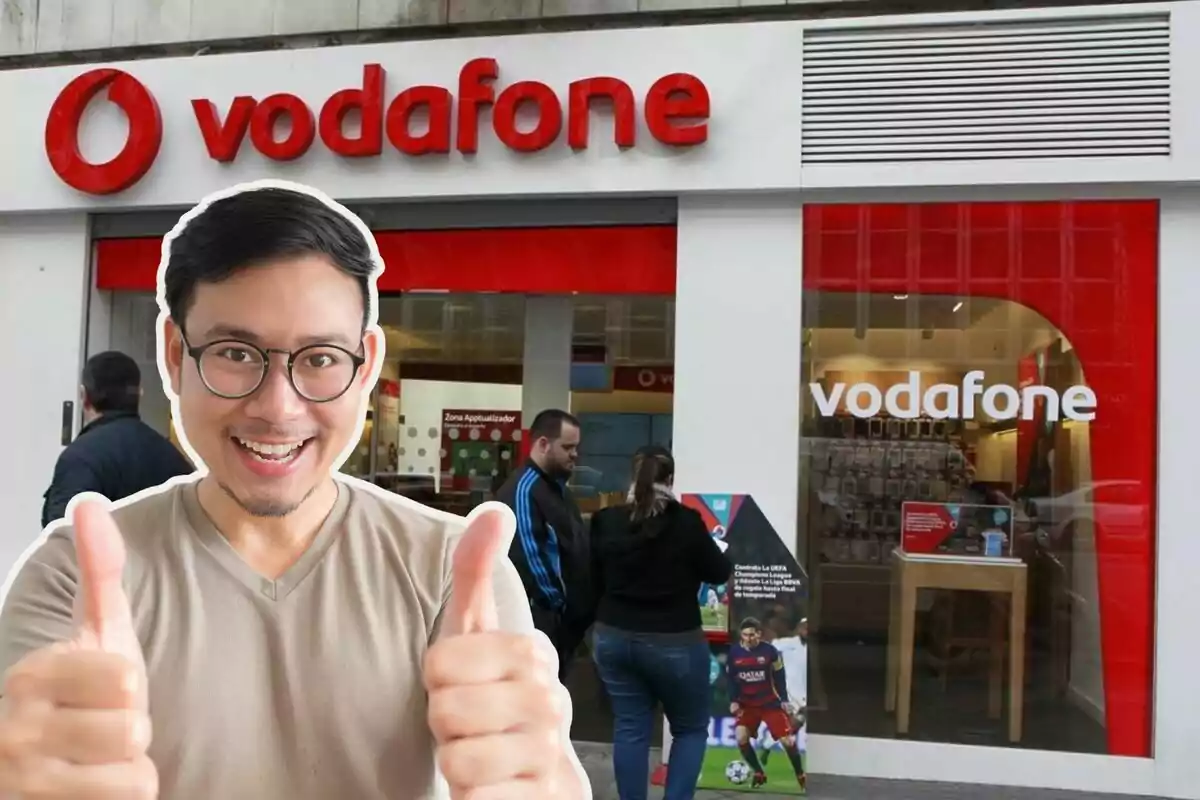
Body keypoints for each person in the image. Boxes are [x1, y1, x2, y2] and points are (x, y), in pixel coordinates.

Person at [0, 184, 586, 799]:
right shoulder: (72, 579)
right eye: (233, 352)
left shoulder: (451, 573)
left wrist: (536, 778)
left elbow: (530, 772)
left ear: (366, 366)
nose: (277, 407)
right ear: (174, 356)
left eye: (320, 358)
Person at [589, 445, 732, 800]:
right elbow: (718, 572)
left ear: (632, 478)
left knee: (631, 727)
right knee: (689, 729)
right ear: (670, 480)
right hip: (675, 642)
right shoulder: (687, 522)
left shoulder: (607, 520)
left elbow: (591, 578)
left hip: (614, 638)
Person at [40, 351, 194, 528]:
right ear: (139, 395)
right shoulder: (172, 459)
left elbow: (63, 539)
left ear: (85, 396)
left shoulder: (79, 459)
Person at [496, 408, 593, 681]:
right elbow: (530, 555)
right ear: (542, 444)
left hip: (561, 625)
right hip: (542, 623)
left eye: (576, 447)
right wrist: (559, 607)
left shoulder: (555, 489)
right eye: (568, 447)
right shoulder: (526, 490)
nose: (575, 454)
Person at [728, 616, 807, 790]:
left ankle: (800, 774)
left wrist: (784, 699)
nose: (750, 638)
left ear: (759, 634)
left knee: (787, 741)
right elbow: (732, 679)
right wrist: (733, 701)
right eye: (746, 635)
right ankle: (758, 772)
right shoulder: (734, 653)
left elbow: (779, 676)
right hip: (747, 705)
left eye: (753, 634)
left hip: (770, 703)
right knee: (741, 736)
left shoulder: (769, 651)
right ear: (741, 635)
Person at [758, 616, 808, 779]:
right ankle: (767, 747)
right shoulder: (786, 643)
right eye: (804, 626)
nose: (806, 629)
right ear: (799, 628)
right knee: (795, 723)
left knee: (793, 728)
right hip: (788, 693)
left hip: (805, 693)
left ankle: (766, 745)